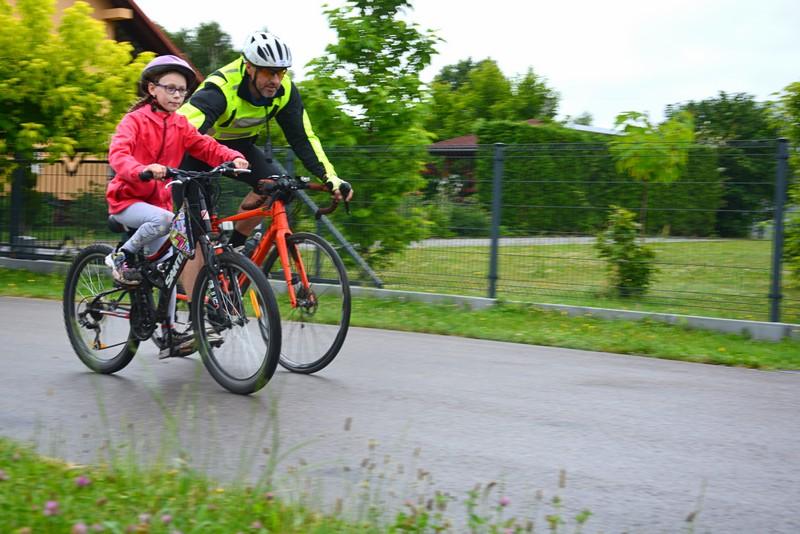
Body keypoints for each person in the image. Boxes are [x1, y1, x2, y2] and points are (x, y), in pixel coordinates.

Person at [177, 31, 353, 283]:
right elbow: (179, 130)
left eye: (281, 72)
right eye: (269, 73)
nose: (276, 80)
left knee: (278, 187)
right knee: (197, 231)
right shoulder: (221, 88)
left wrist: (331, 178)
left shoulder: (285, 90)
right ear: (249, 67)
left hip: (240, 150)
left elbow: (303, 138)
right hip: (197, 150)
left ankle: (235, 250)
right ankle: (198, 300)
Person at [105, 55, 249, 358]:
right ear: (152, 88)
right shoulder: (134, 121)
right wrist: (142, 170)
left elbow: (205, 145)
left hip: (157, 205)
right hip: (127, 199)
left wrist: (232, 157)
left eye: (182, 91)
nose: (177, 95)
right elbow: (118, 154)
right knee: (166, 220)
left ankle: (169, 333)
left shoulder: (180, 124)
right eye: (170, 88)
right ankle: (122, 256)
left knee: (171, 264)